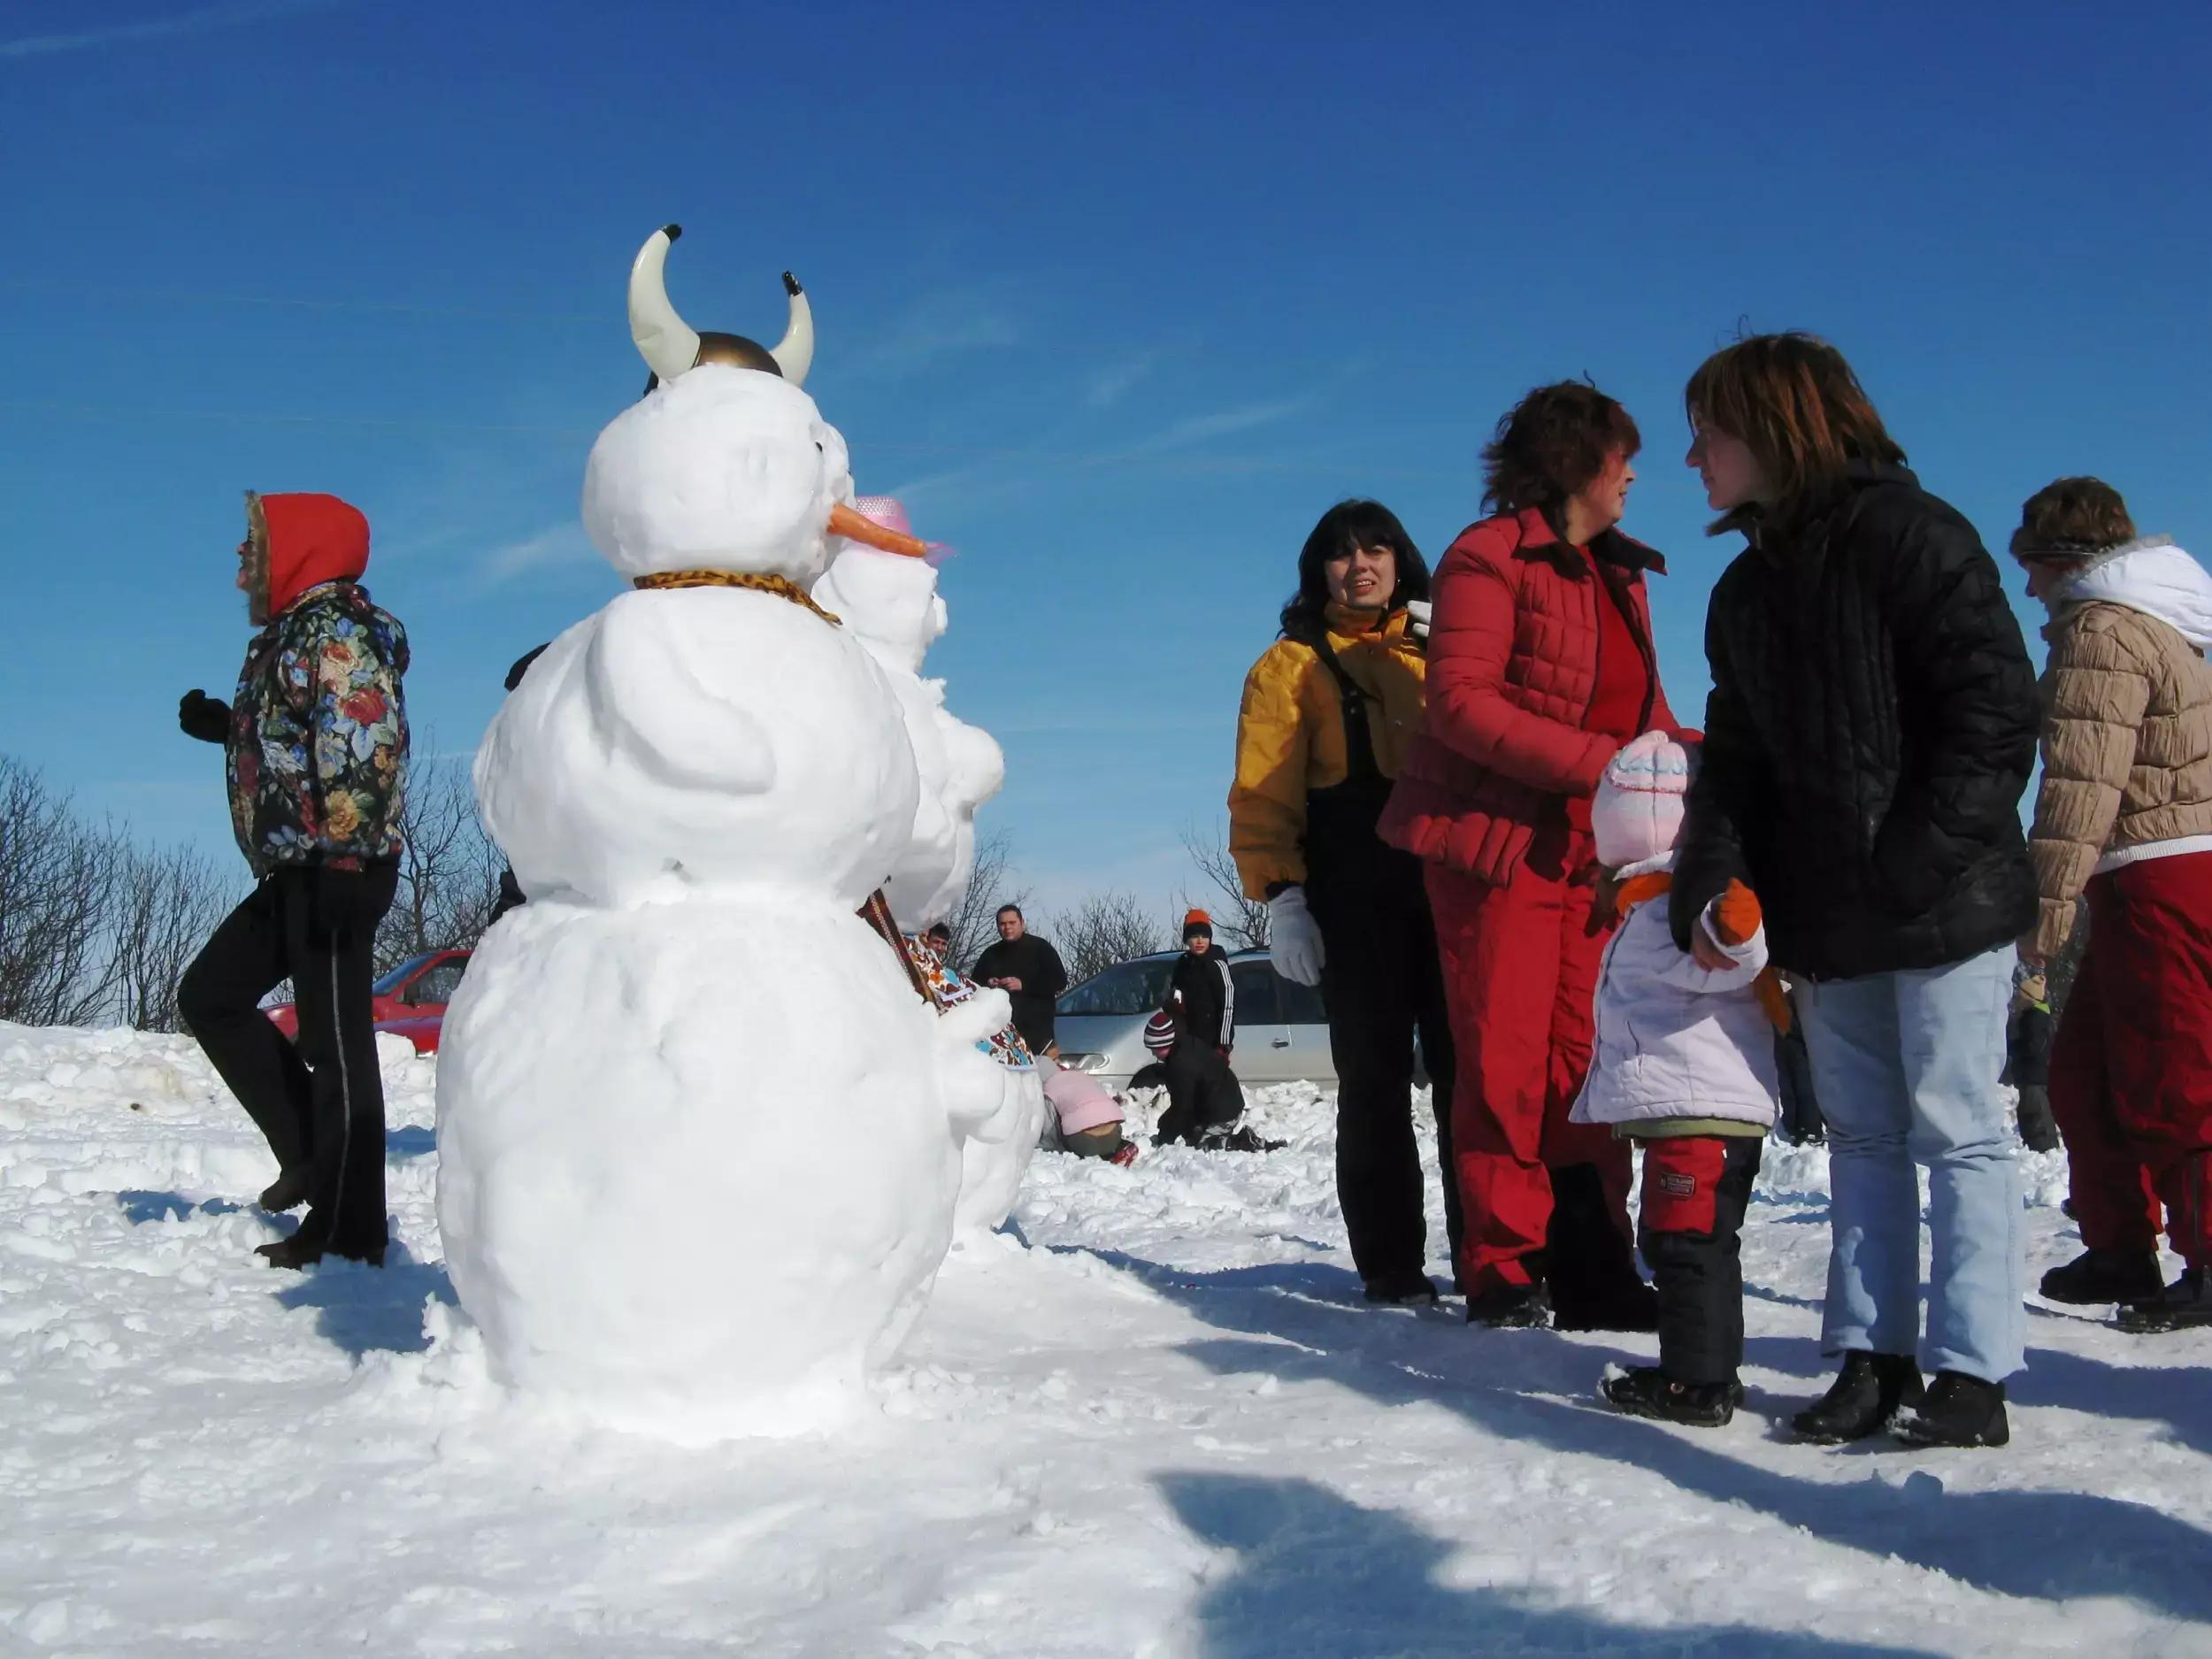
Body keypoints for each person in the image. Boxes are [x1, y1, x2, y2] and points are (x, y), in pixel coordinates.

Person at [1671, 333, 2037, 1448]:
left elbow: (1993, 714)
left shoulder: (1915, 538)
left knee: (1959, 1128)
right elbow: (1732, 761)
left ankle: (1970, 1373)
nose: (1693, 457)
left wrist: (1912, 865)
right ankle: (1873, 1359)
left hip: (1943, 904)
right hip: (1827, 919)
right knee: (1863, 1140)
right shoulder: (1739, 592)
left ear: (1779, 427)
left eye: (1710, 431)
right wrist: (1709, 871)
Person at [1378, 383, 1681, 1330]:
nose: (1634, 472)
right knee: (1504, 1061)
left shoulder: (1620, 575)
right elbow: (1459, 702)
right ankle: (1504, 1267)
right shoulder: (1486, 556)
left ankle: (1592, 1260)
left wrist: (1690, 767)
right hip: (1496, 850)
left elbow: (1647, 713)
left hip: (1592, 856)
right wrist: (1610, 768)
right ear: (1574, 462)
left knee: (1586, 1061)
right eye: (1620, 455)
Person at [1231, 498, 1460, 1306]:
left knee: (1470, 1076)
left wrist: (1457, 652)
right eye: (1340, 552)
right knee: (1374, 1078)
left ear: (1401, 561)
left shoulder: (1446, 648)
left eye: (1376, 548)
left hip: (1453, 881)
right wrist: (1283, 896)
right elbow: (1263, 790)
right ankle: (1392, 1266)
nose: (1359, 564)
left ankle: (1495, 1257)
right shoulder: (1288, 666)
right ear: (1318, 569)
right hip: (1353, 889)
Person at [175, 491, 409, 1270]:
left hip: (338, 867)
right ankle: (313, 1155)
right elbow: (303, 734)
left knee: (339, 1050)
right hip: (302, 866)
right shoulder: (295, 632)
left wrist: (347, 858)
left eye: (254, 545)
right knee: (210, 994)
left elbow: (363, 747)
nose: (242, 561)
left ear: (300, 550)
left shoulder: (337, 632)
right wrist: (231, 727)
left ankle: (350, 1229)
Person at [2010, 477, 2212, 1329]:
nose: (2028, 588)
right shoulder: (2157, 621)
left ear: (2066, 559)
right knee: (2082, 1066)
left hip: (2156, 870)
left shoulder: (2103, 628)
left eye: (2033, 565)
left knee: (2177, 1068)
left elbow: (2080, 787)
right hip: (2146, 868)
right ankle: (2120, 1244)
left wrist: (2037, 927)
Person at [1576, 733, 1785, 1428]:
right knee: (1698, 1242)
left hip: (1702, 1115)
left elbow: (1729, 951)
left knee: (1684, 1243)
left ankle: (1694, 1383)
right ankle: (1710, 1370)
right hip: (1699, 1112)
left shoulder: (1679, 898)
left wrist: (1734, 929)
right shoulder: (1650, 898)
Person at [1142, 1009, 1279, 1151]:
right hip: (1221, 1103)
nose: (1154, 1053)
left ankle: (1243, 1143)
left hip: (1223, 1112)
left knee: (1201, 1147)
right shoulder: (1185, 1044)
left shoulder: (1181, 1064)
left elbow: (1183, 1106)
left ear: (1168, 1041)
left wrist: (1167, 1134)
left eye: (1157, 1049)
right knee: (1188, 1134)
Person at [970, 905, 1067, 1056]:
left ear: (1022, 923)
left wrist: (1024, 985)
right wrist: (988, 984)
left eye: (1012, 923)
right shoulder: (990, 954)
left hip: (1037, 1034)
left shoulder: (1040, 948)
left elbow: (1059, 981)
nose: (1007, 927)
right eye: (1002, 924)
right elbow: (973, 986)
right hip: (1000, 1033)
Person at [1042, 1059, 1140, 1165]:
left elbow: (1049, 1135)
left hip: (1086, 1144)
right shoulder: (1082, 1077)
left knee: (1066, 1136)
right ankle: (1120, 1147)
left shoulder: (1048, 1090)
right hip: (1114, 1134)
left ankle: (1094, 1152)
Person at [2003, 972, 2061, 1154]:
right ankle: (2040, 1148)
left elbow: (2034, 1047)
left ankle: (2044, 1149)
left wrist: (2013, 1047)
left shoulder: (2034, 1018)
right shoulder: (2037, 1016)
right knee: (2032, 1116)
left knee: (2037, 1119)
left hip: (2034, 1077)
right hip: (2035, 1076)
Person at [1169, 910, 1237, 1056]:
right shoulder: (1183, 964)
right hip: (1188, 1040)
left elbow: (1227, 1005)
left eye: (1204, 936)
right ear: (1187, 940)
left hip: (1212, 1042)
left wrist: (1224, 1043)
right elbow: (1175, 994)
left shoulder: (1217, 964)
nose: (1200, 941)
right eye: (1194, 936)